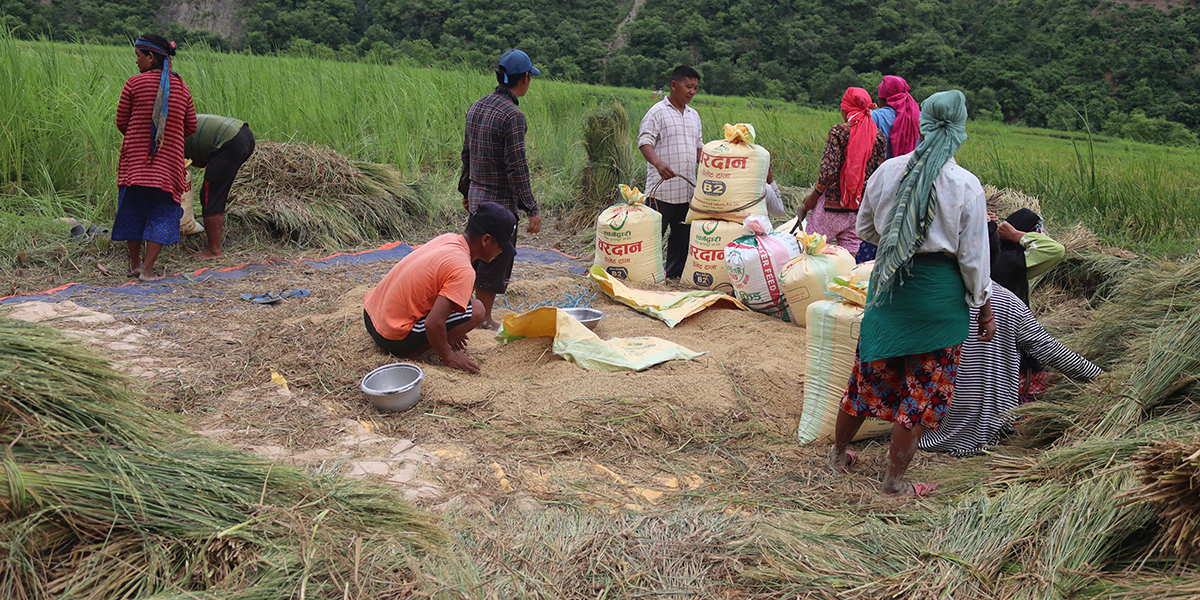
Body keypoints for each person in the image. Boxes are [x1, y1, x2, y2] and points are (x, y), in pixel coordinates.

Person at [827, 90, 995, 499]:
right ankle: (892, 483)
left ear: (922, 125)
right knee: (920, 392)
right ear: (958, 130)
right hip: (938, 300)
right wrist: (985, 308)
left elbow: (865, 229)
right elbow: (973, 259)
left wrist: (899, 240)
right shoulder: (965, 185)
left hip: (888, 290)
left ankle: (836, 457)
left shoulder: (888, 171)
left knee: (867, 378)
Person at [920, 285, 1102, 456]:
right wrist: (1101, 378)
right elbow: (1050, 350)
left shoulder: (927, 296)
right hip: (992, 433)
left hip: (926, 435)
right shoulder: (1007, 301)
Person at [362, 202, 517, 374]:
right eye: (501, 246)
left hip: (370, 314)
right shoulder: (463, 269)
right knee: (478, 310)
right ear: (486, 240)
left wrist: (451, 330)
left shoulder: (448, 239)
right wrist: (449, 356)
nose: (502, 251)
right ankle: (411, 351)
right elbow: (433, 323)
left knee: (463, 306)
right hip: (389, 335)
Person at [460, 49, 543, 331]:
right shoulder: (513, 116)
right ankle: (483, 317)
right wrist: (531, 208)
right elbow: (517, 168)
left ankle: (462, 307)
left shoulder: (477, 106)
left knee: (472, 254)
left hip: (476, 196)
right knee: (495, 259)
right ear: (525, 78)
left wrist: (464, 190)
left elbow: (467, 153)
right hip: (500, 202)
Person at [113, 33, 197, 282]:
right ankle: (148, 272)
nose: (136, 61)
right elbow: (190, 126)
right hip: (168, 167)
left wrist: (139, 135)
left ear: (151, 57)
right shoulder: (182, 88)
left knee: (132, 211)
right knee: (161, 214)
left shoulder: (133, 84)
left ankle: (135, 265)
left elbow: (121, 122)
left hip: (136, 165)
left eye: (138, 56)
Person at [799, 88, 888, 258]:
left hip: (831, 209)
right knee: (848, 259)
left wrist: (812, 198)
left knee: (811, 250)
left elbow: (828, 173)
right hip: (859, 211)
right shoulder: (879, 138)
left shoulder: (838, 132)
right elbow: (878, 176)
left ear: (846, 109)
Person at [638, 65, 704, 279]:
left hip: (686, 193)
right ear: (674, 85)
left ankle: (673, 278)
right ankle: (647, 279)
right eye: (688, 86)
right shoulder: (657, 112)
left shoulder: (694, 115)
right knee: (652, 240)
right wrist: (658, 164)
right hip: (661, 193)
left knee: (681, 240)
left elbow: (699, 149)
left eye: (695, 87)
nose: (692, 91)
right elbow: (644, 142)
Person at [859, 75, 920, 262]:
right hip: (913, 184)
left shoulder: (875, 117)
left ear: (882, 97)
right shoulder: (919, 117)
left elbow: (863, 152)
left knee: (875, 231)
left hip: (881, 183)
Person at [183, 114, 256, 260]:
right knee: (215, 192)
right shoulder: (176, 126)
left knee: (210, 196)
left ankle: (214, 250)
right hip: (244, 134)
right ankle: (214, 246)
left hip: (230, 141)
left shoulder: (164, 141)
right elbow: (198, 158)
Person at [871, 75, 920, 160]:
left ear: (883, 100)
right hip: (915, 169)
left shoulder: (875, 116)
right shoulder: (921, 117)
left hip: (884, 170)